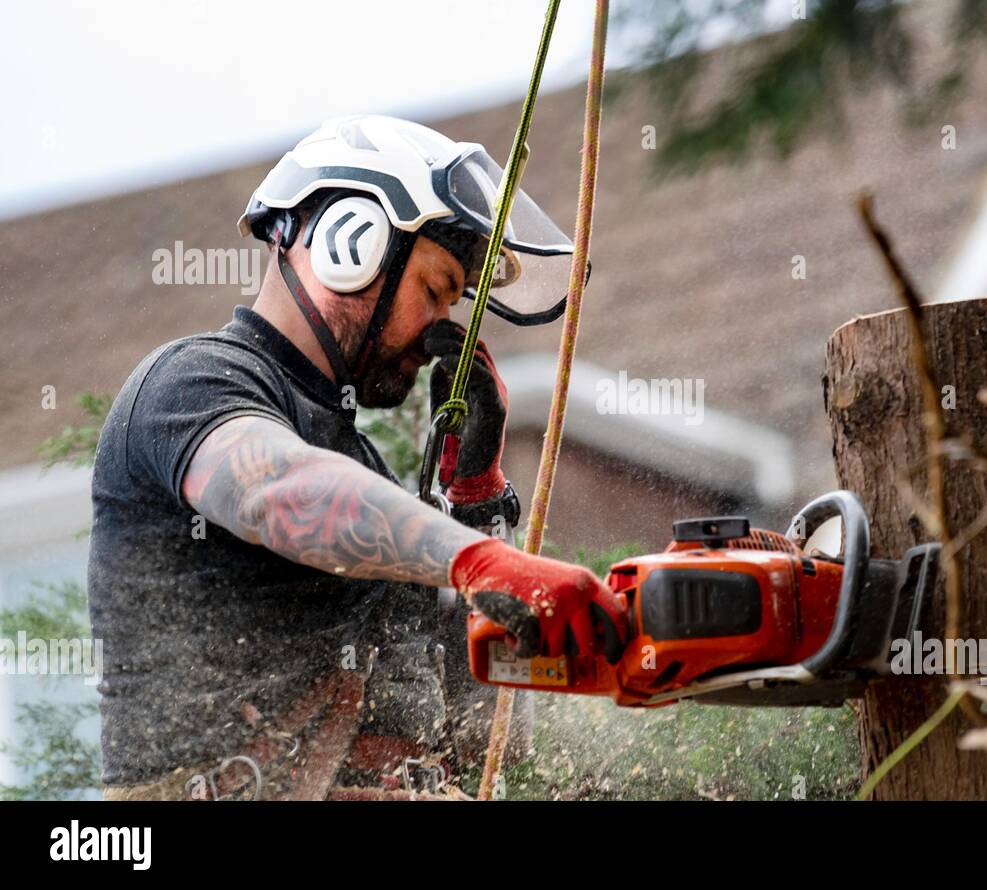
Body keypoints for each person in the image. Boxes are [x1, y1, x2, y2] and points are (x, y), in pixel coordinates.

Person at [87, 115, 625, 800]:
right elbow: (275, 493)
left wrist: (477, 501)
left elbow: (491, 742)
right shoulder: (191, 382)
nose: (443, 329)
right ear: (351, 242)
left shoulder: (367, 472)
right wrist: (476, 561)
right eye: (436, 290)